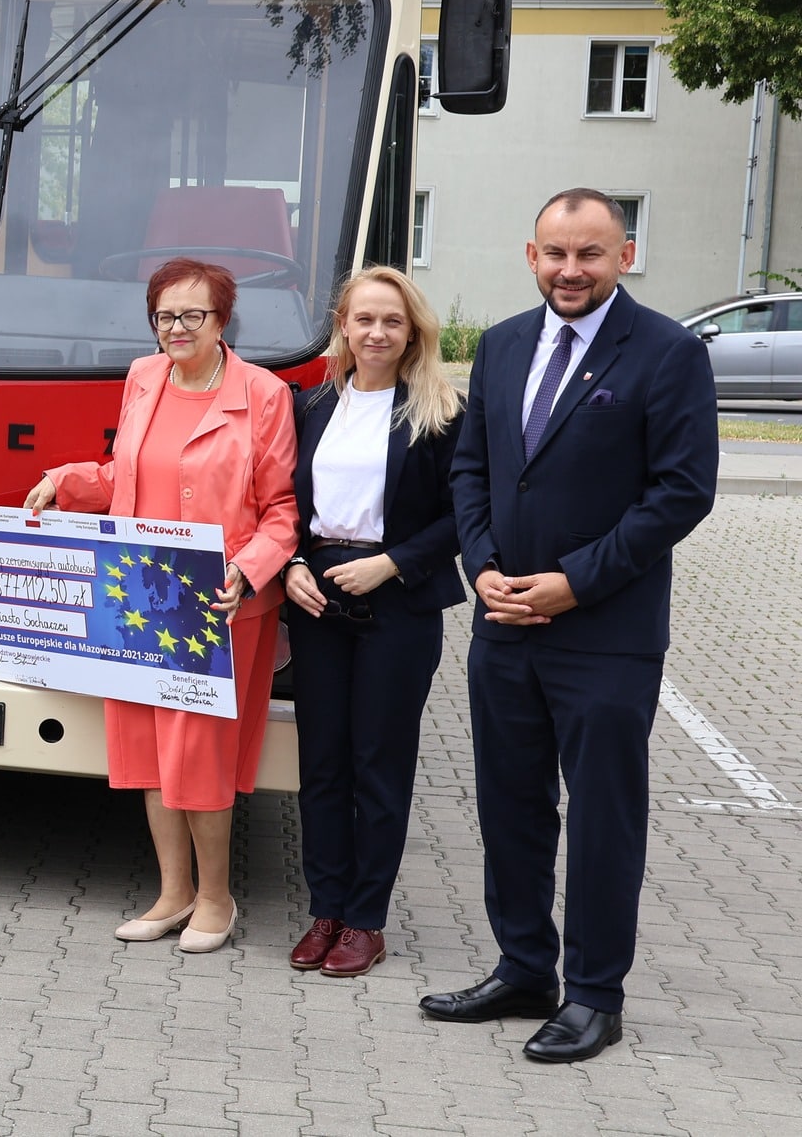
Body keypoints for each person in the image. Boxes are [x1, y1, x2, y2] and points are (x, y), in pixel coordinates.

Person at [425, 188, 717, 1062]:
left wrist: (572, 584)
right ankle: (523, 967)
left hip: (604, 635)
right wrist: (480, 565)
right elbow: (471, 467)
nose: (571, 270)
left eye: (590, 253)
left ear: (623, 255)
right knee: (511, 806)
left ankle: (595, 994)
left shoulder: (666, 352)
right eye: (556, 253)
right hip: (503, 626)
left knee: (601, 817)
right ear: (531, 255)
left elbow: (681, 493)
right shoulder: (507, 343)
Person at [25, 258, 298, 953]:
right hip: (141, 591)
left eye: (192, 316)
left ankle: (217, 896)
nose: (176, 328)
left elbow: (282, 512)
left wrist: (248, 568)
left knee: (199, 754)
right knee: (147, 748)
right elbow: (129, 473)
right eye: (165, 316)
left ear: (222, 320)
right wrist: (67, 480)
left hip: (216, 602)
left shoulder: (262, 394)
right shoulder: (144, 377)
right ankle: (173, 892)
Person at [280, 267, 464, 978]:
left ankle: (365, 920)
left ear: (412, 330)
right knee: (322, 763)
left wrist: (392, 563)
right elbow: (280, 495)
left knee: (377, 767)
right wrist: (292, 561)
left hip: (397, 600)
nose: (377, 332)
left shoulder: (442, 412)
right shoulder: (314, 405)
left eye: (392, 320)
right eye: (365, 319)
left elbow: (462, 515)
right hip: (319, 597)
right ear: (344, 326)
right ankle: (324, 908)